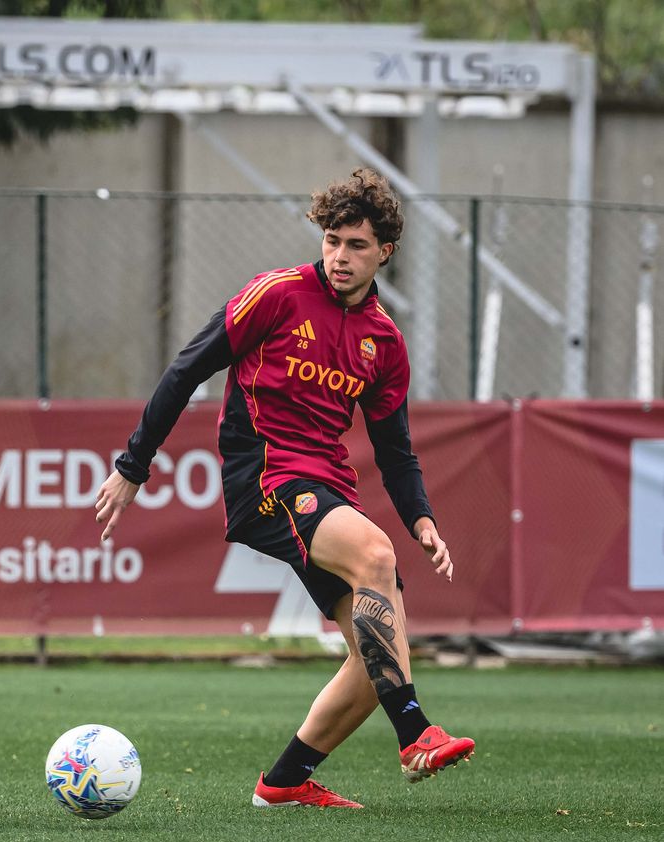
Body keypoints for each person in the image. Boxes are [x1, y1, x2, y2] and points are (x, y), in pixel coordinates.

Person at [94, 168, 474, 808]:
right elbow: (187, 369)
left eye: (356, 245)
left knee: (378, 652)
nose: (340, 256)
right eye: (332, 240)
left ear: (385, 251)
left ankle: (284, 782)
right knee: (376, 557)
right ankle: (414, 733)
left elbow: (395, 450)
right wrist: (134, 465)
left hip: (327, 485)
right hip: (265, 476)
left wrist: (423, 519)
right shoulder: (276, 294)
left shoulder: (384, 341)